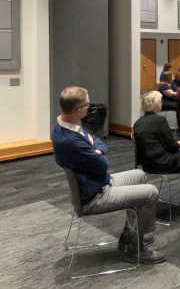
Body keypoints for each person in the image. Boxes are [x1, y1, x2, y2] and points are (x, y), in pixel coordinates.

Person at [52, 86, 164, 264]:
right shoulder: (70, 140)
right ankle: (137, 249)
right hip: (94, 196)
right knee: (151, 192)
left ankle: (130, 234)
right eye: (87, 104)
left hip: (98, 183)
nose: (90, 107)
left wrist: (96, 149)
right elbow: (103, 164)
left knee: (139, 175)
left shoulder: (66, 126)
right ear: (78, 110)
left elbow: (97, 142)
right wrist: (96, 151)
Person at [133, 91, 180, 209]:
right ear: (156, 104)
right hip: (164, 163)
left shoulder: (137, 123)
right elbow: (172, 147)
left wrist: (176, 144)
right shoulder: (159, 121)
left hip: (148, 165)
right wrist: (178, 144)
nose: (162, 103)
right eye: (161, 101)